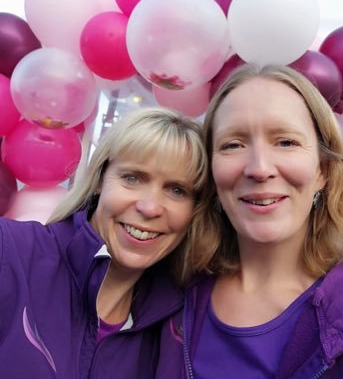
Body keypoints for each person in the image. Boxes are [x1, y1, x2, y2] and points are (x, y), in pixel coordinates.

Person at [165, 64, 343, 378]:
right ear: (210, 172)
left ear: (323, 171)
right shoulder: (168, 289)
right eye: (233, 144)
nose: (259, 168)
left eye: (286, 142)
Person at [0, 107, 216, 378]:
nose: (150, 208)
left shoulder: (181, 328)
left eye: (177, 190)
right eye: (132, 178)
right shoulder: (9, 251)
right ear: (101, 179)